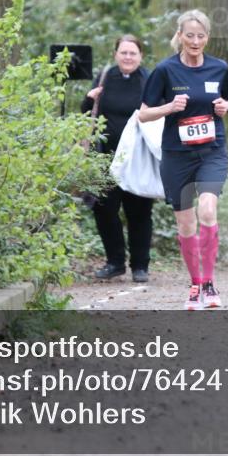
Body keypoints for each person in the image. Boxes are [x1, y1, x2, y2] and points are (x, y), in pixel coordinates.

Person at [139, 10, 228, 310]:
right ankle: (195, 286)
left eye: (201, 35)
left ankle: (209, 283)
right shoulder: (165, 71)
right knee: (185, 223)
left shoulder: (219, 68)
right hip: (176, 155)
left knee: (207, 210)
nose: (196, 41)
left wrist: (226, 107)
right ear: (180, 36)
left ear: (207, 37)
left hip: (212, 151)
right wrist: (169, 107)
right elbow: (143, 113)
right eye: (190, 35)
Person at [82, 35, 155, 282]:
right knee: (104, 210)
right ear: (115, 54)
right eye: (123, 52)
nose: (128, 57)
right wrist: (88, 98)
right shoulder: (105, 78)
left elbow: (161, 114)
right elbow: (86, 113)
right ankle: (115, 262)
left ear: (140, 56)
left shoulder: (149, 80)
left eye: (133, 53)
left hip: (137, 159)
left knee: (140, 212)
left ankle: (140, 266)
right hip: (105, 159)